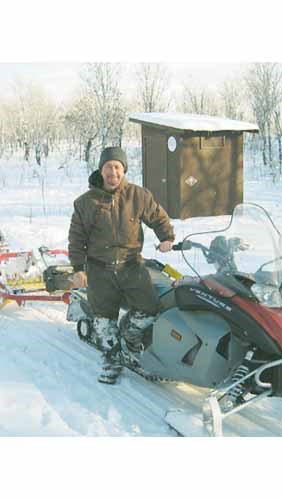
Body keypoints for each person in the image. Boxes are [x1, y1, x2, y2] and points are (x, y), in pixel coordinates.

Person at [68, 146, 175, 384]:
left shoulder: (139, 195)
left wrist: (166, 237)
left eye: (117, 166)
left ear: (124, 170)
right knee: (104, 320)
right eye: (108, 167)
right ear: (101, 170)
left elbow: (158, 217)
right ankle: (112, 358)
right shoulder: (85, 203)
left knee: (149, 310)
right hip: (99, 269)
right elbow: (77, 239)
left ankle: (128, 339)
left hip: (131, 265)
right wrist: (78, 268)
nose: (112, 172)